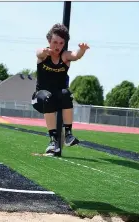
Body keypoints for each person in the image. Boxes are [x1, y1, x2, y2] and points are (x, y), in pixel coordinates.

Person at [32, 23, 89, 154]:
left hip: (57, 100)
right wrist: (44, 51)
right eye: (55, 42)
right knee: (47, 97)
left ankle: (68, 135)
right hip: (40, 99)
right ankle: (53, 140)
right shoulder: (44, 55)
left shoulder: (65, 56)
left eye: (61, 43)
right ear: (49, 41)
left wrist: (82, 50)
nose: (57, 46)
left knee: (66, 93)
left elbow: (76, 55)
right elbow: (38, 52)